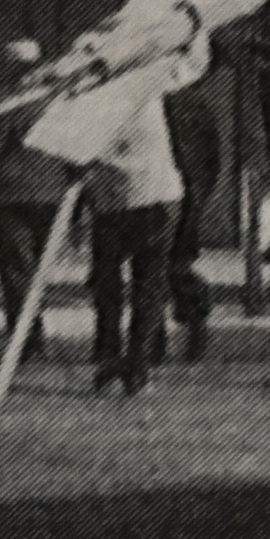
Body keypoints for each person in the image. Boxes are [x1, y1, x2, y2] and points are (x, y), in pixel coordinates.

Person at [0, 38, 70, 359]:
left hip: (10, 198)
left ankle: (26, 339)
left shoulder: (6, 105)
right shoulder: (56, 104)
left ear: (10, 68)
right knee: (37, 267)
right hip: (51, 195)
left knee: (17, 269)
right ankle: (32, 330)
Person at [86, 88, 183, 397]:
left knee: (108, 285)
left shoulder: (88, 104)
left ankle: (109, 359)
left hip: (111, 201)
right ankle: (137, 367)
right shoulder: (150, 88)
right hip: (156, 194)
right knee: (149, 285)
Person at [156, 76, 222, 364]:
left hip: (163, 195)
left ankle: (156, 340)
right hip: (188, 193)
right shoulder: (197, 102)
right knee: (173, 263)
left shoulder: (159, 102)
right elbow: (213, 157)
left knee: (155, 266)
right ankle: (193, 318)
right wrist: (201, 192)